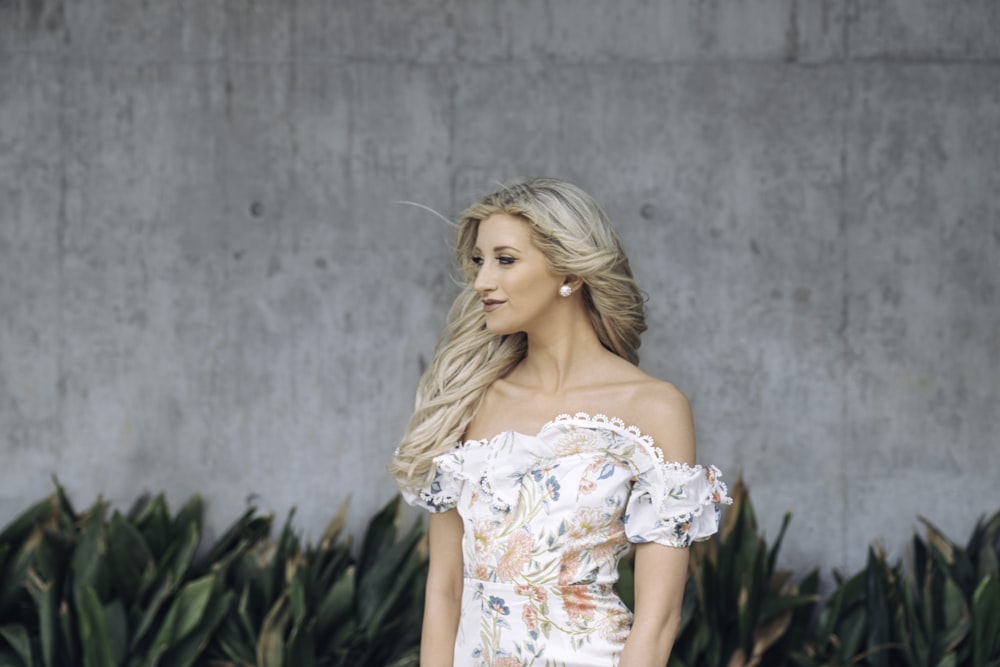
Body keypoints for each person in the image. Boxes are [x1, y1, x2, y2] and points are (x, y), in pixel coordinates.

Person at [390, 178, 731, 667]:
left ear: (569, 271)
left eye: (505, 260)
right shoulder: (466, 400)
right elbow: (444, 589)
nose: (483, 281)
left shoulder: (654, 408)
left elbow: (658, 620)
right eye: (479, 261)